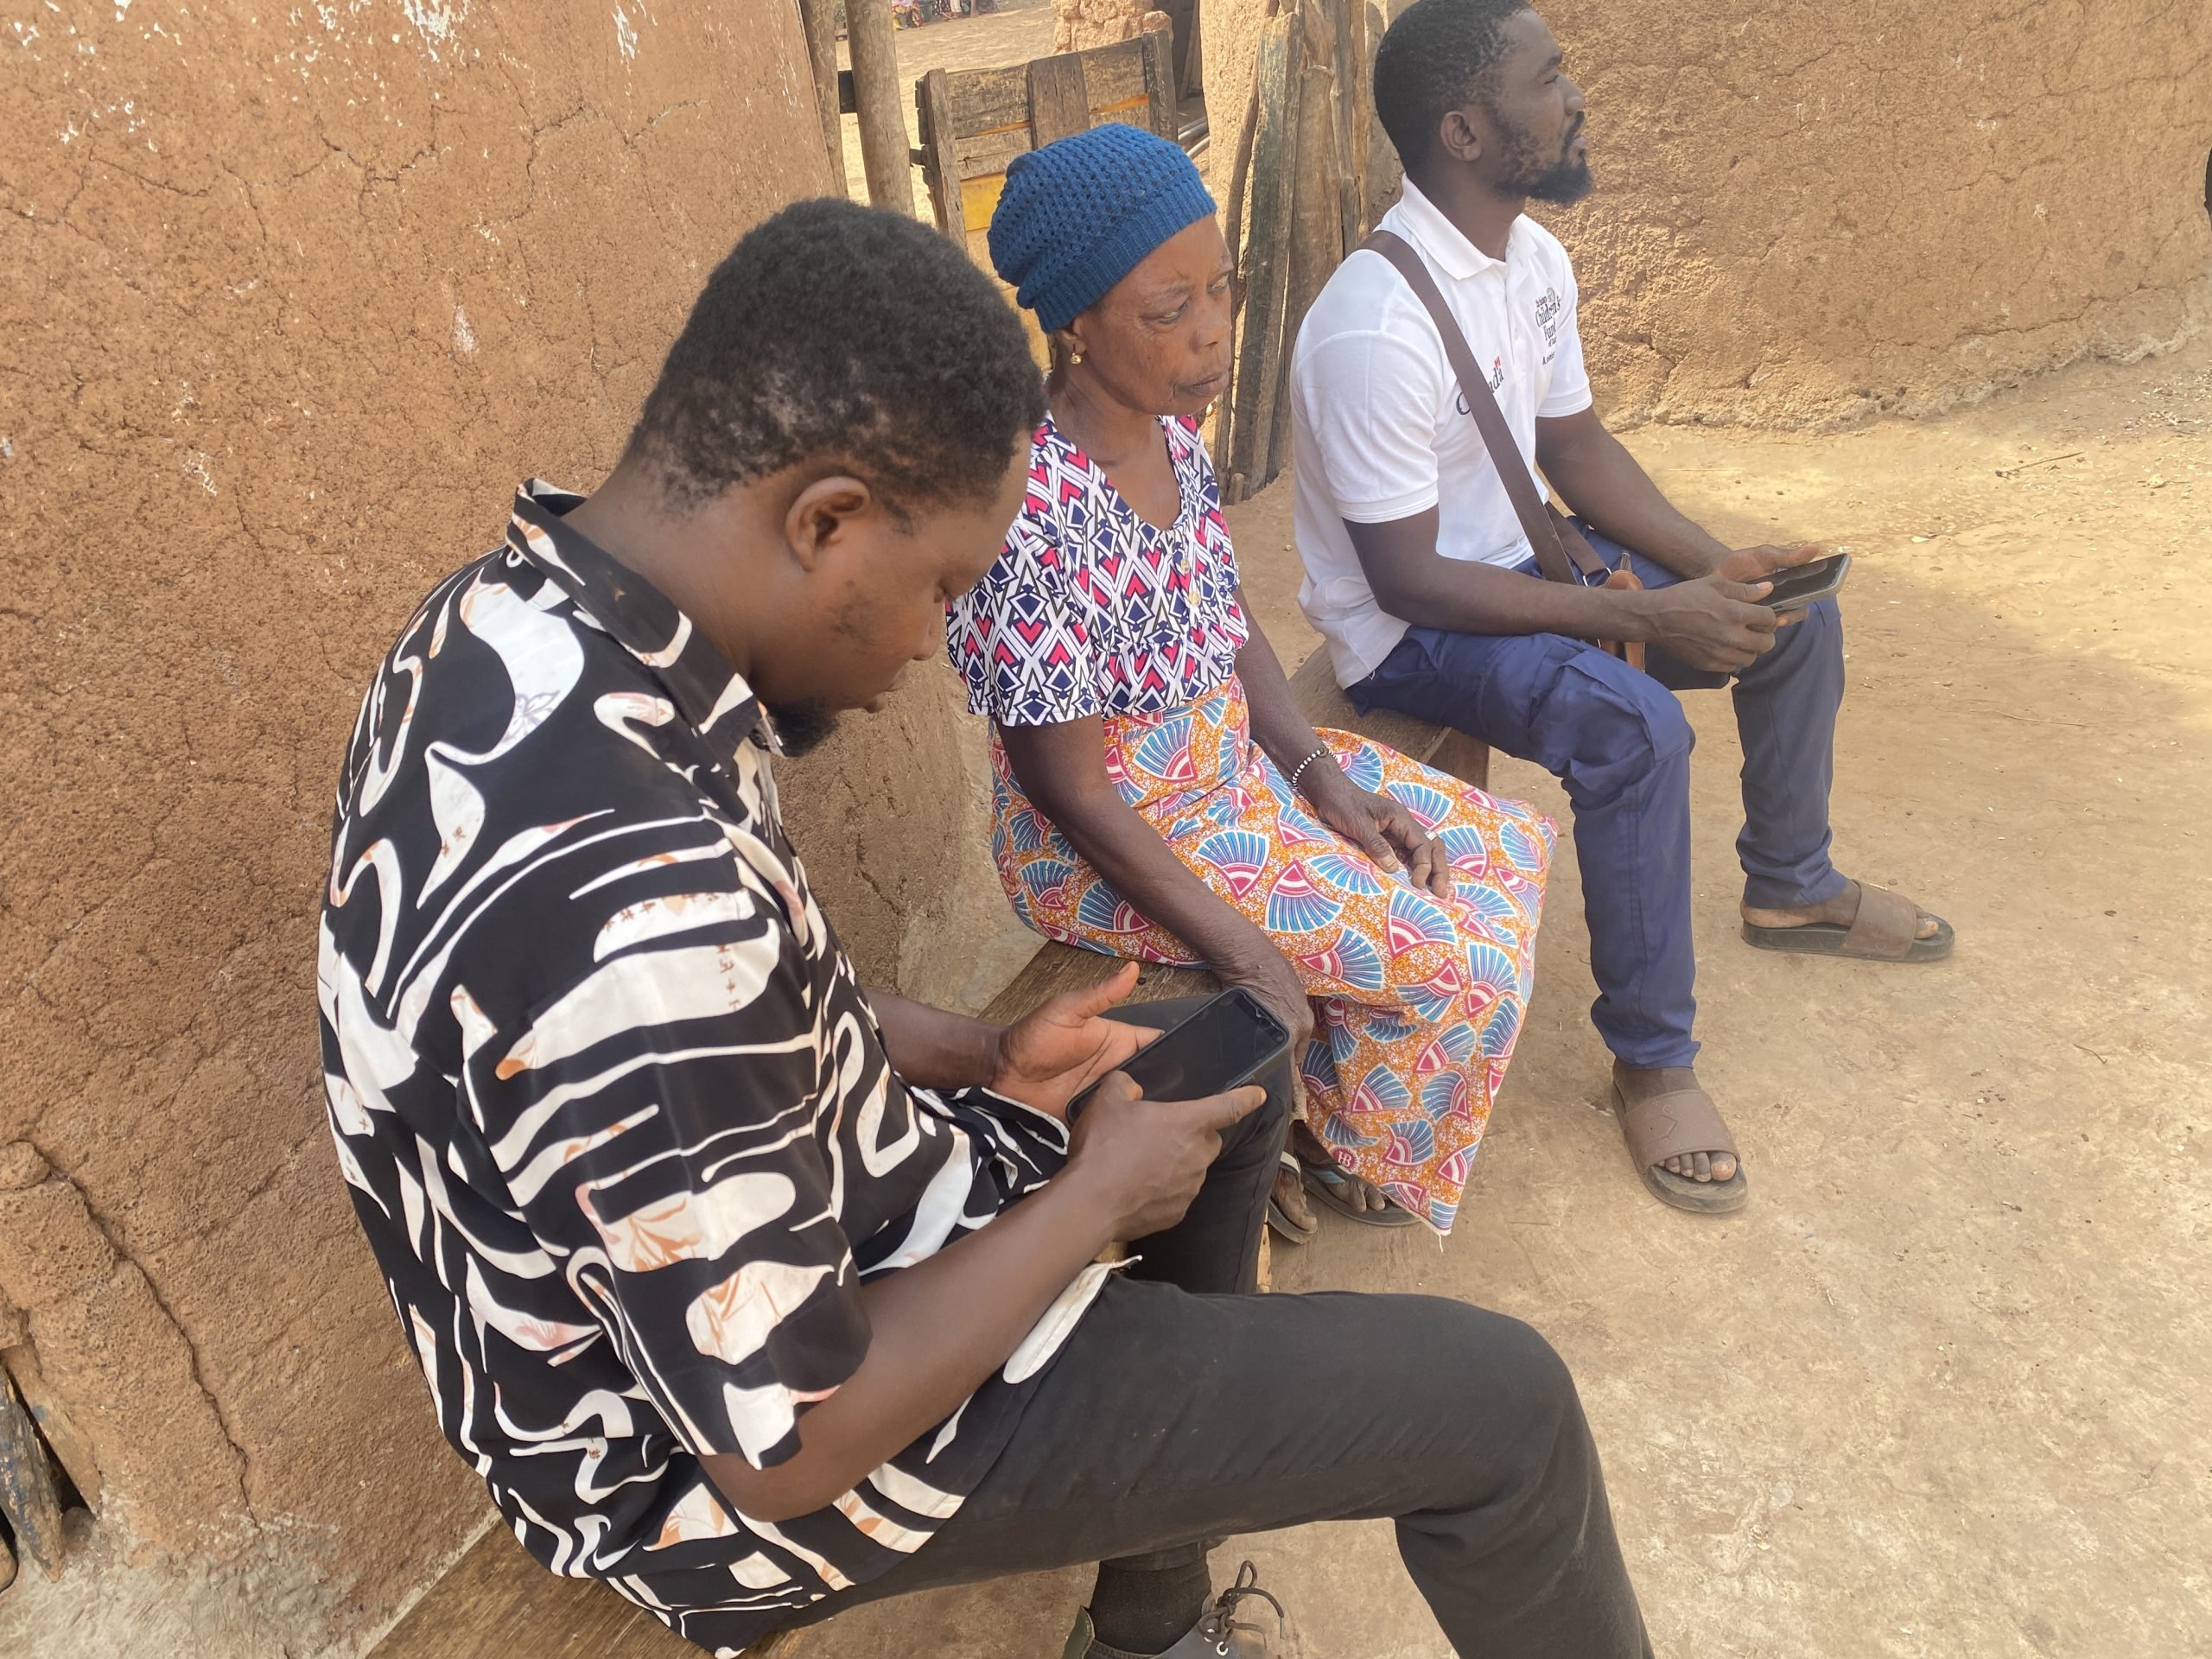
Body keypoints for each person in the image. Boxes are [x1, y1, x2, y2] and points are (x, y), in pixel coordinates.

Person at [317, 199, 1650, 1659]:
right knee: (1504, 1408)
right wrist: (1086, 1206)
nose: (932, 646)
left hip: (814, 1213)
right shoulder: (633, 900)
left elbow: (738, 1003)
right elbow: (785, 1442)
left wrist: (981, 1054)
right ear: (826, 522)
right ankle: (1141, 1468)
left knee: (1231, 1059)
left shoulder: (519, 627)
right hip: (722, 1466)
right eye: (944, 588)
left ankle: (1152, 1612)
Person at [1291, 0, 1955, 1215]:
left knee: (1790, 617)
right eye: (1547, 79)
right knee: (1636, 730)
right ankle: (1652, 1063)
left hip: (1525, 562)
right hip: (1416, 631)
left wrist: (1717, 570)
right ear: (1465, 131)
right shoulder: (1371, 328)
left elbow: (1578, 449)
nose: (1575, 97)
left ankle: (1791, 884)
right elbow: (1408, 581)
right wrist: (1650, 621)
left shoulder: (1532, 261)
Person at [949, 124, 1555, 1239]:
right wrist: (1244, 948)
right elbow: (1068, 789)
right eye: (1167, 310)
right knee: (1456, 964)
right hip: (1109, 841)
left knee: (1487, 850)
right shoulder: (1028, 515)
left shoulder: (1173, 440)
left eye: (1221, 289)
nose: (1213, 331)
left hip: (1229, 782)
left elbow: (1228, 628)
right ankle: (1322, 1135)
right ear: (1076, 323)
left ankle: (1313, 1104)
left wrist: (1322, 778)